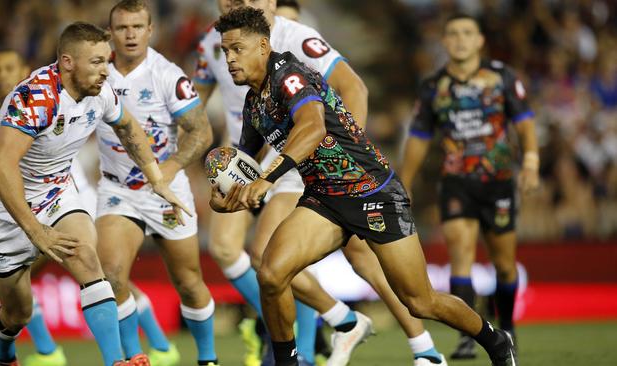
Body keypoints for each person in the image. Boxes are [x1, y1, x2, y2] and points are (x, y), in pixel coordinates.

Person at [211, 7, 518, 366]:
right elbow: (242, 165)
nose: (229, 58)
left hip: (372, 191)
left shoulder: (289, 76)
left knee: (420, 300)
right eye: (225, 51)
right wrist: (223, 198)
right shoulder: (254, 104)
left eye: (237, 49)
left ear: (263, 46)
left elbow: (312, 128)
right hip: (324, 200)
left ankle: (496, 340)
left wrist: (267, 179)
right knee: (272, 273)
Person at [0, 21, 188, 366]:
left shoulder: (101, 90)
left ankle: (115, 360)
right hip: (3, 214)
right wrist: (34, 230)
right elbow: (1, 167)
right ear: (68, 62)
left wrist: (156, 178)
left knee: (88, 257)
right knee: (18, 312)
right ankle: (1, 347)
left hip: (57, 195)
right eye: (97, 62)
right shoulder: (35, 97)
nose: (106, 71)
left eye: (107, 60)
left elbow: (127, 125)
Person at [400, 14, 539, 360]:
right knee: (460, 255)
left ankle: (506, 326)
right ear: (445, 42)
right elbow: (419, 136)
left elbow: (524, 122)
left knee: (504, 264)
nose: (460, 39)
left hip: (499, 182)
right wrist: (405, 181)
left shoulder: (502, 77)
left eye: (467, 33)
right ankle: (469, 335)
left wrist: (532, 161)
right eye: (453, 34)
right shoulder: (433, 86)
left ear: (479, 41)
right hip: (456, 182)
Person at [95, 1, 218, 365]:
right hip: (118, 189)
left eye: (137, 27)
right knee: (112, 276)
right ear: (111, 33)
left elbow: (201, 131)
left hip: (165, 191)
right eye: (122, 28)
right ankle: (134, 356)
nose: (130, 35)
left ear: (150, 31)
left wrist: (172, 165)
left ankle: (207, 358)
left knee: (188, 282)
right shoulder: (97, 74)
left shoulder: (167, 76)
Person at [0, 49, 68, 366]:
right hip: (24, 211)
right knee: (18, 290)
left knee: (104, 269)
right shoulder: (6, 112)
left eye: (9, 67)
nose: (1, 75)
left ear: (26, 70)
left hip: (58, 201)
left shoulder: (40, 103)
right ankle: (47, 351)